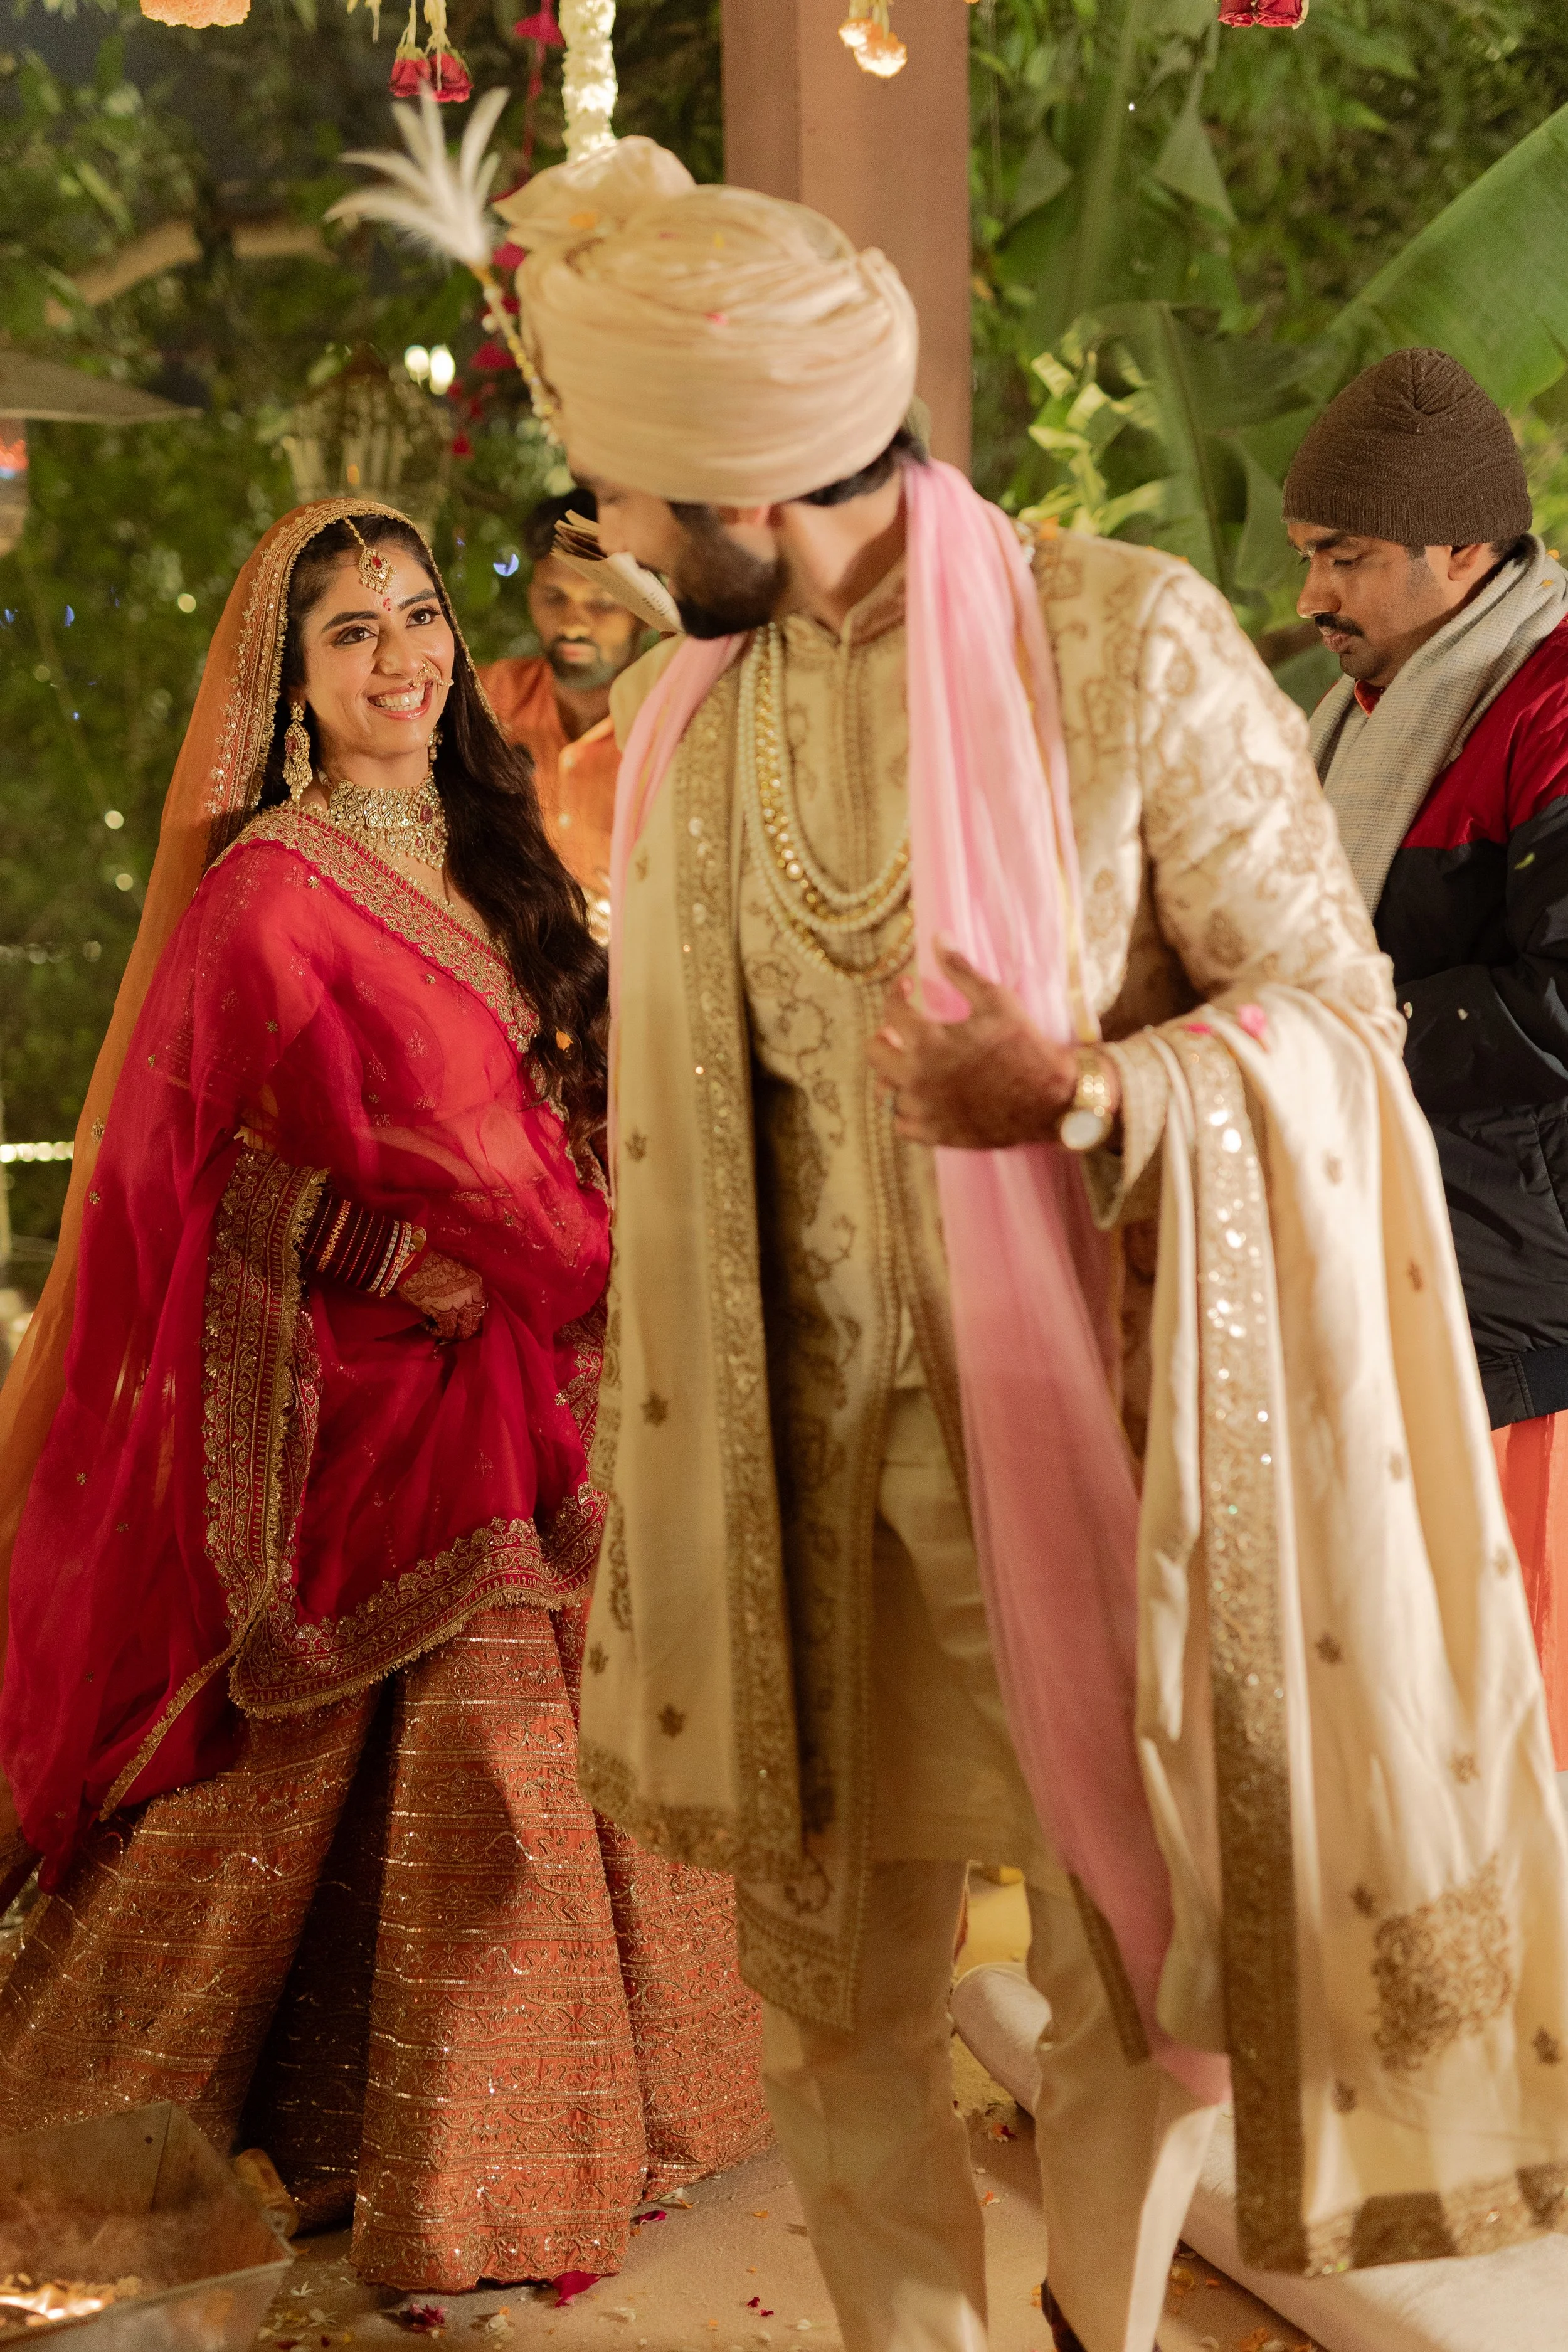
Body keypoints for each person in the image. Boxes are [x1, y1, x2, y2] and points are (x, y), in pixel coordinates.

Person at [489, 140, 1568, 2352]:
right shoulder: (713, 710)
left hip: (1097, 1455)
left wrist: (1087, 1090)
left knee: (1128, 1978)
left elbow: (1339, 1030)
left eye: (618, 491)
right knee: (834, 1998)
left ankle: (1096, 2318)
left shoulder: (1130, 642)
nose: (599, 540)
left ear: (748, 490)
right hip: (804, 1479)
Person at [0, 500, 767, 2291]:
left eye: (418, 617)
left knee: (526, 1755)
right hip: (388, 1391)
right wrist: (450, 1269)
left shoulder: (483, 841)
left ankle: (515, 2127)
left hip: (547, 1355)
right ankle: (472, 2181)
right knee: (483, 1764)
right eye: (352, 634)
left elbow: (560, 1099)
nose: (403, 658)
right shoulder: (271, 888)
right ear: (290, 683)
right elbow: (209, 1174)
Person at [1285, 348, 1568, 1770]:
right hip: (1382, 1262)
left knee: (1503, 1728)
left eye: (1345, 557)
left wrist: (1329, 1033)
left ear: (1464, 549)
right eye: (1306, 555)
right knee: (1393, 1723)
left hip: (1517, 1304)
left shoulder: (1553, 698)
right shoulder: (1355, 710)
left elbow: (1563, 999)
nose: (1311, 597)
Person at [479, 490, 647, 940]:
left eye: (602, 603)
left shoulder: (675, 730)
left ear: (646, 612)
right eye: (554, 597)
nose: (573, 623)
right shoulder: (486, 700)